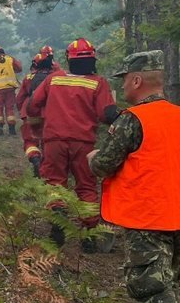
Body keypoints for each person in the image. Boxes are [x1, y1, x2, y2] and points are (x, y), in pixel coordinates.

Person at [88, 50, 180, 303]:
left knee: (151, 284)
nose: (122, 87)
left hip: (149, 215)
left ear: (137, 80)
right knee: (173, 281)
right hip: (179, 212)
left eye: (124, 80)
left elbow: (105, 164)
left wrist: (92, 158)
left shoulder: (133, 119)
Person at [27, 38, 117, 246]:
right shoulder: (98, 82)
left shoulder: (54, 79)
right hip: (83, 143)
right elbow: (106, 114)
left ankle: (58, 219)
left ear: (69, 59)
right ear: (92, 59)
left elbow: (32, 105)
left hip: (54, 141)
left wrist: (40, 123)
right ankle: (90, 235)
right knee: (86, 185)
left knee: (55, 181)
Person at [16, 52, 61, 176]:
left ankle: (35, 158)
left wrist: (22, 113)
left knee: (30, 141)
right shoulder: (57, 77)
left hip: (30, 114)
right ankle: (47, 169)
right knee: (47, 142)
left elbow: (20, 98)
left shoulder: (29, 77)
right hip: (49, 114)